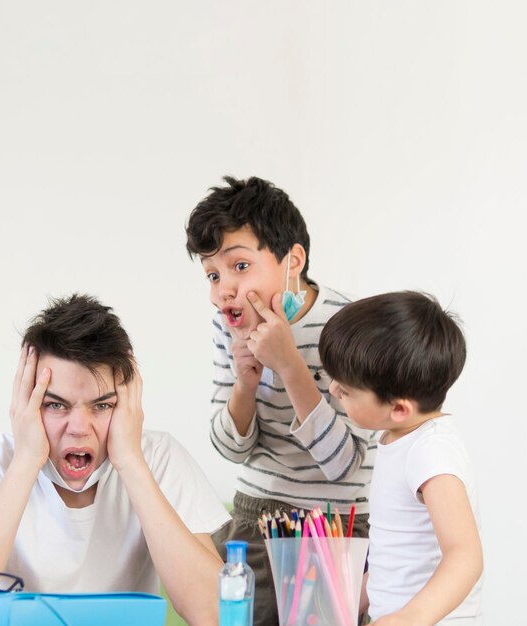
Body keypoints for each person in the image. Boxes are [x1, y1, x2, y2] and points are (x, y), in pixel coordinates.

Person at [0, 294, 230, 626]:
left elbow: (216, 612)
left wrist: (130, 462)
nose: (80, 428)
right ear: (26, 401)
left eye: (102, 405)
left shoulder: (158, 457)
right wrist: (25, 461)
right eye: (56, 405)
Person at [185, 175, 377, 625]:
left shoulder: (347, 328)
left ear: (293, 260)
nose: (223, 290)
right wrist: (245, 384)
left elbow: (344, 464)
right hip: (257, 515)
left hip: (337, 528)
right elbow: (232, 448)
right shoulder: (227, 326)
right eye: (212, 274)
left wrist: (289, 365)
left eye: (239, 266)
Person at [318, 291, 483, 625]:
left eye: (346, 390)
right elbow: (394, 556)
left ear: (398, 408)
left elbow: (465, 555)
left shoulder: (431, 452)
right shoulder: (400, 439)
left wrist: (411, 618)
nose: (334, 389)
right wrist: (349, 599)